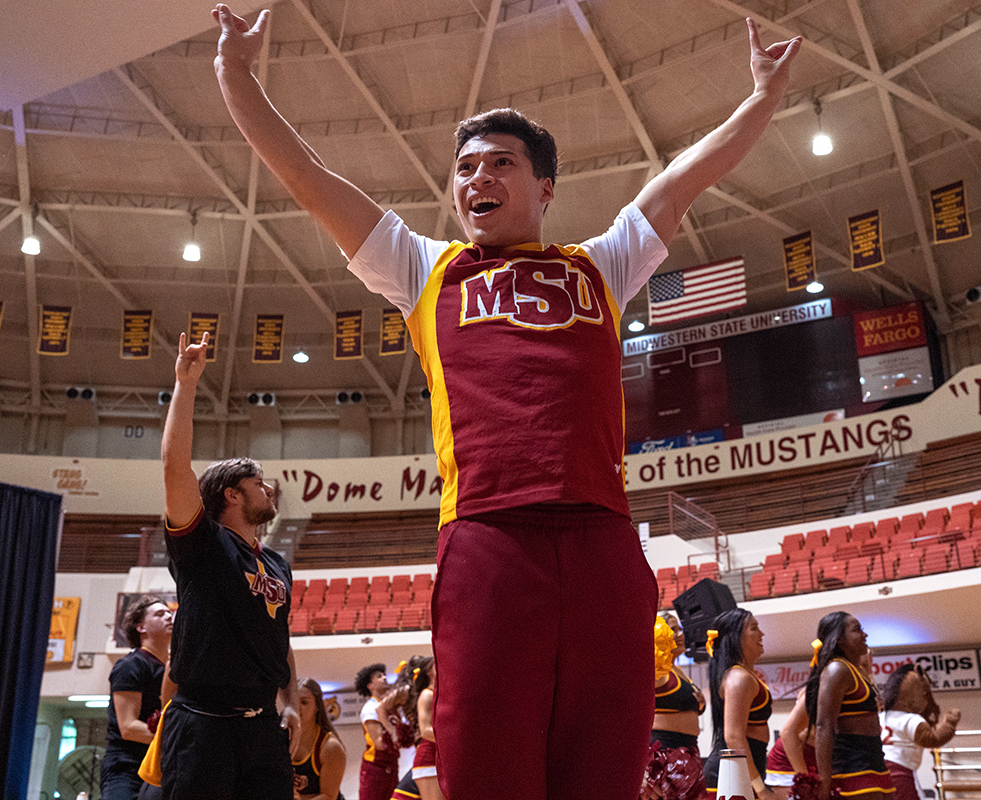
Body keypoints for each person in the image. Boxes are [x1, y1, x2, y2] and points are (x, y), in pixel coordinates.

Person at [211, 5, 799, 796]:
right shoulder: (425, 267)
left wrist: (761, 97)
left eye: (499, 164)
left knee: (601, 774)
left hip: (603, 541)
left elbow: (688, 176)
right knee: (489, 774)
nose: (475, 179)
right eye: (464, 169)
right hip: (488, 539)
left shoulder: (604, 262)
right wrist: (237, 75)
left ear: (545, 185)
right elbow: (307, 177)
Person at [160, 330, 301, 800]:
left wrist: (291, 700)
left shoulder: (277, 563)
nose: (269, 490)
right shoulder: (203, 543)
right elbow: (175, 468)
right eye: (258, 483)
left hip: (263, 728)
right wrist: (186, 385)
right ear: (232, 493)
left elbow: (279, 636)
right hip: (202, 726)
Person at [806, 612, 892, 800]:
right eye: (857, 630)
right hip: (851, 767)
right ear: (839, 640)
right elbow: (823, 726)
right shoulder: (837, 670)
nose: (864, 635)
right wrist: (825, 781)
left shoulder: (856, 670)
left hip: (874, 761)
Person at [100, 596, 173, 800]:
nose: (169, 616)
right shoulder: (130, 666)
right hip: (126, 767)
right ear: (141, 627)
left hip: (161, 764)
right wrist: (177, 739)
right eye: (160, 614)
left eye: (169, 612)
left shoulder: (175, 669)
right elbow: (129, 727)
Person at [703, 609, 774, 799]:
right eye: (754, 628)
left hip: (743, 769)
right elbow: (733, 736)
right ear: (735, 637)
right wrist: (760, 788)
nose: (761, 634)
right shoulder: (739, 677)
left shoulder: (742, 675)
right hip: (731, 773)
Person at [643, 614, 707, 800]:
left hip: (689, 751)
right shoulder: (655, 670)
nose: (680, 634)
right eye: (673, 630)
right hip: (666, 754)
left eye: (680, 629)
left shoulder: (676, 671)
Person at [878, 664, 959, 800]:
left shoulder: (880, 716)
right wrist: (949, 724)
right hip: (901, 771)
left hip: (877, 770)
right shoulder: (912, 719)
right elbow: (932, 740)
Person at [389, 656, 439, 800]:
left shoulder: (440, 694)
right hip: (428, 756)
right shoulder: (426, 695)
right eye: (435, 664)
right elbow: (426, 731)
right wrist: (395, 729)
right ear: (428, 672)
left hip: (438, 756)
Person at [293, 677, 347, 800]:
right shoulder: (281, 740)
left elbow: (328, 796)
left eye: (304, 702)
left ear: (317, 706)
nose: (298, 708)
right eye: (294, 703)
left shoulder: (330, 746)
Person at [356, 662, 401, 800]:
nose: (385, 677)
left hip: (392, 764)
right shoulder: (370, 708)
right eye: (379, 676)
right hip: (375, 767)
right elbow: (380, 743)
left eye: (384, 674)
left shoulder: (391, 707)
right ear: (370, 686)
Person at [763, 688, 817, 798]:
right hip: (790, 763)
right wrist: (805, 782)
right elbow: (788, 732)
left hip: (820, 759)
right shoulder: (816, 689)